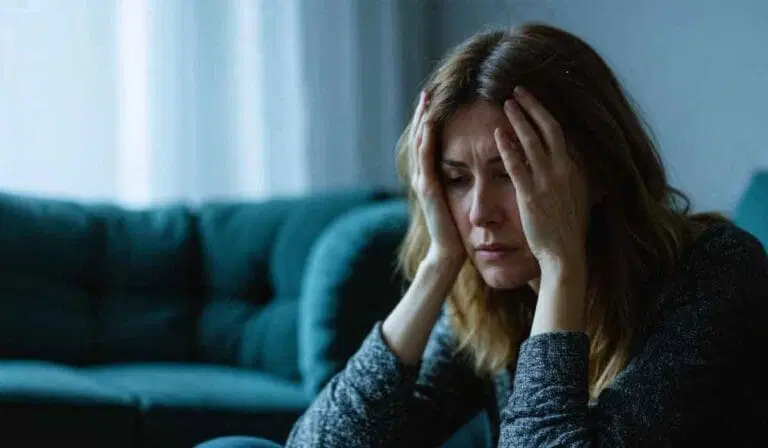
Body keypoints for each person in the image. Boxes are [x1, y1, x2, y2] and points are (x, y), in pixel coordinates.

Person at [197, 22, 768, 448]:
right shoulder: (496, 294)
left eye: (512, 174)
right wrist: (437, 266)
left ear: (594, 174)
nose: (479, 213)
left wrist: (562, 268)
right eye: (455, 180)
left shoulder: (716, 272)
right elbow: (320, 446)